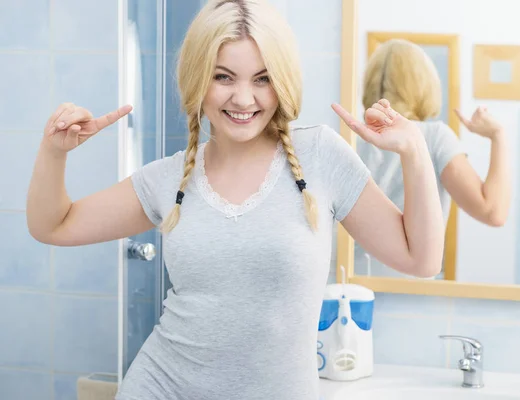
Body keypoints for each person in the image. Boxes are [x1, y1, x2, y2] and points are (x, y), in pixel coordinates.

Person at [26, 1, 445, 399]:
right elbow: (53, 225)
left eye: (262, 78)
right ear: (198, 79)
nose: (244, 99)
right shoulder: (169, 178)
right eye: (223, 77)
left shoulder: (320, 157)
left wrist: (414, 151)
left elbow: (420, 260)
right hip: (160, 386)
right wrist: (54, 151)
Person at [360, 39, 511, 230]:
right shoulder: (434, 137)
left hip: (344, 260)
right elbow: (493, 212)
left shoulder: (352, 135)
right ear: (425, 85)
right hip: (409, 261)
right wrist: (498, 135)